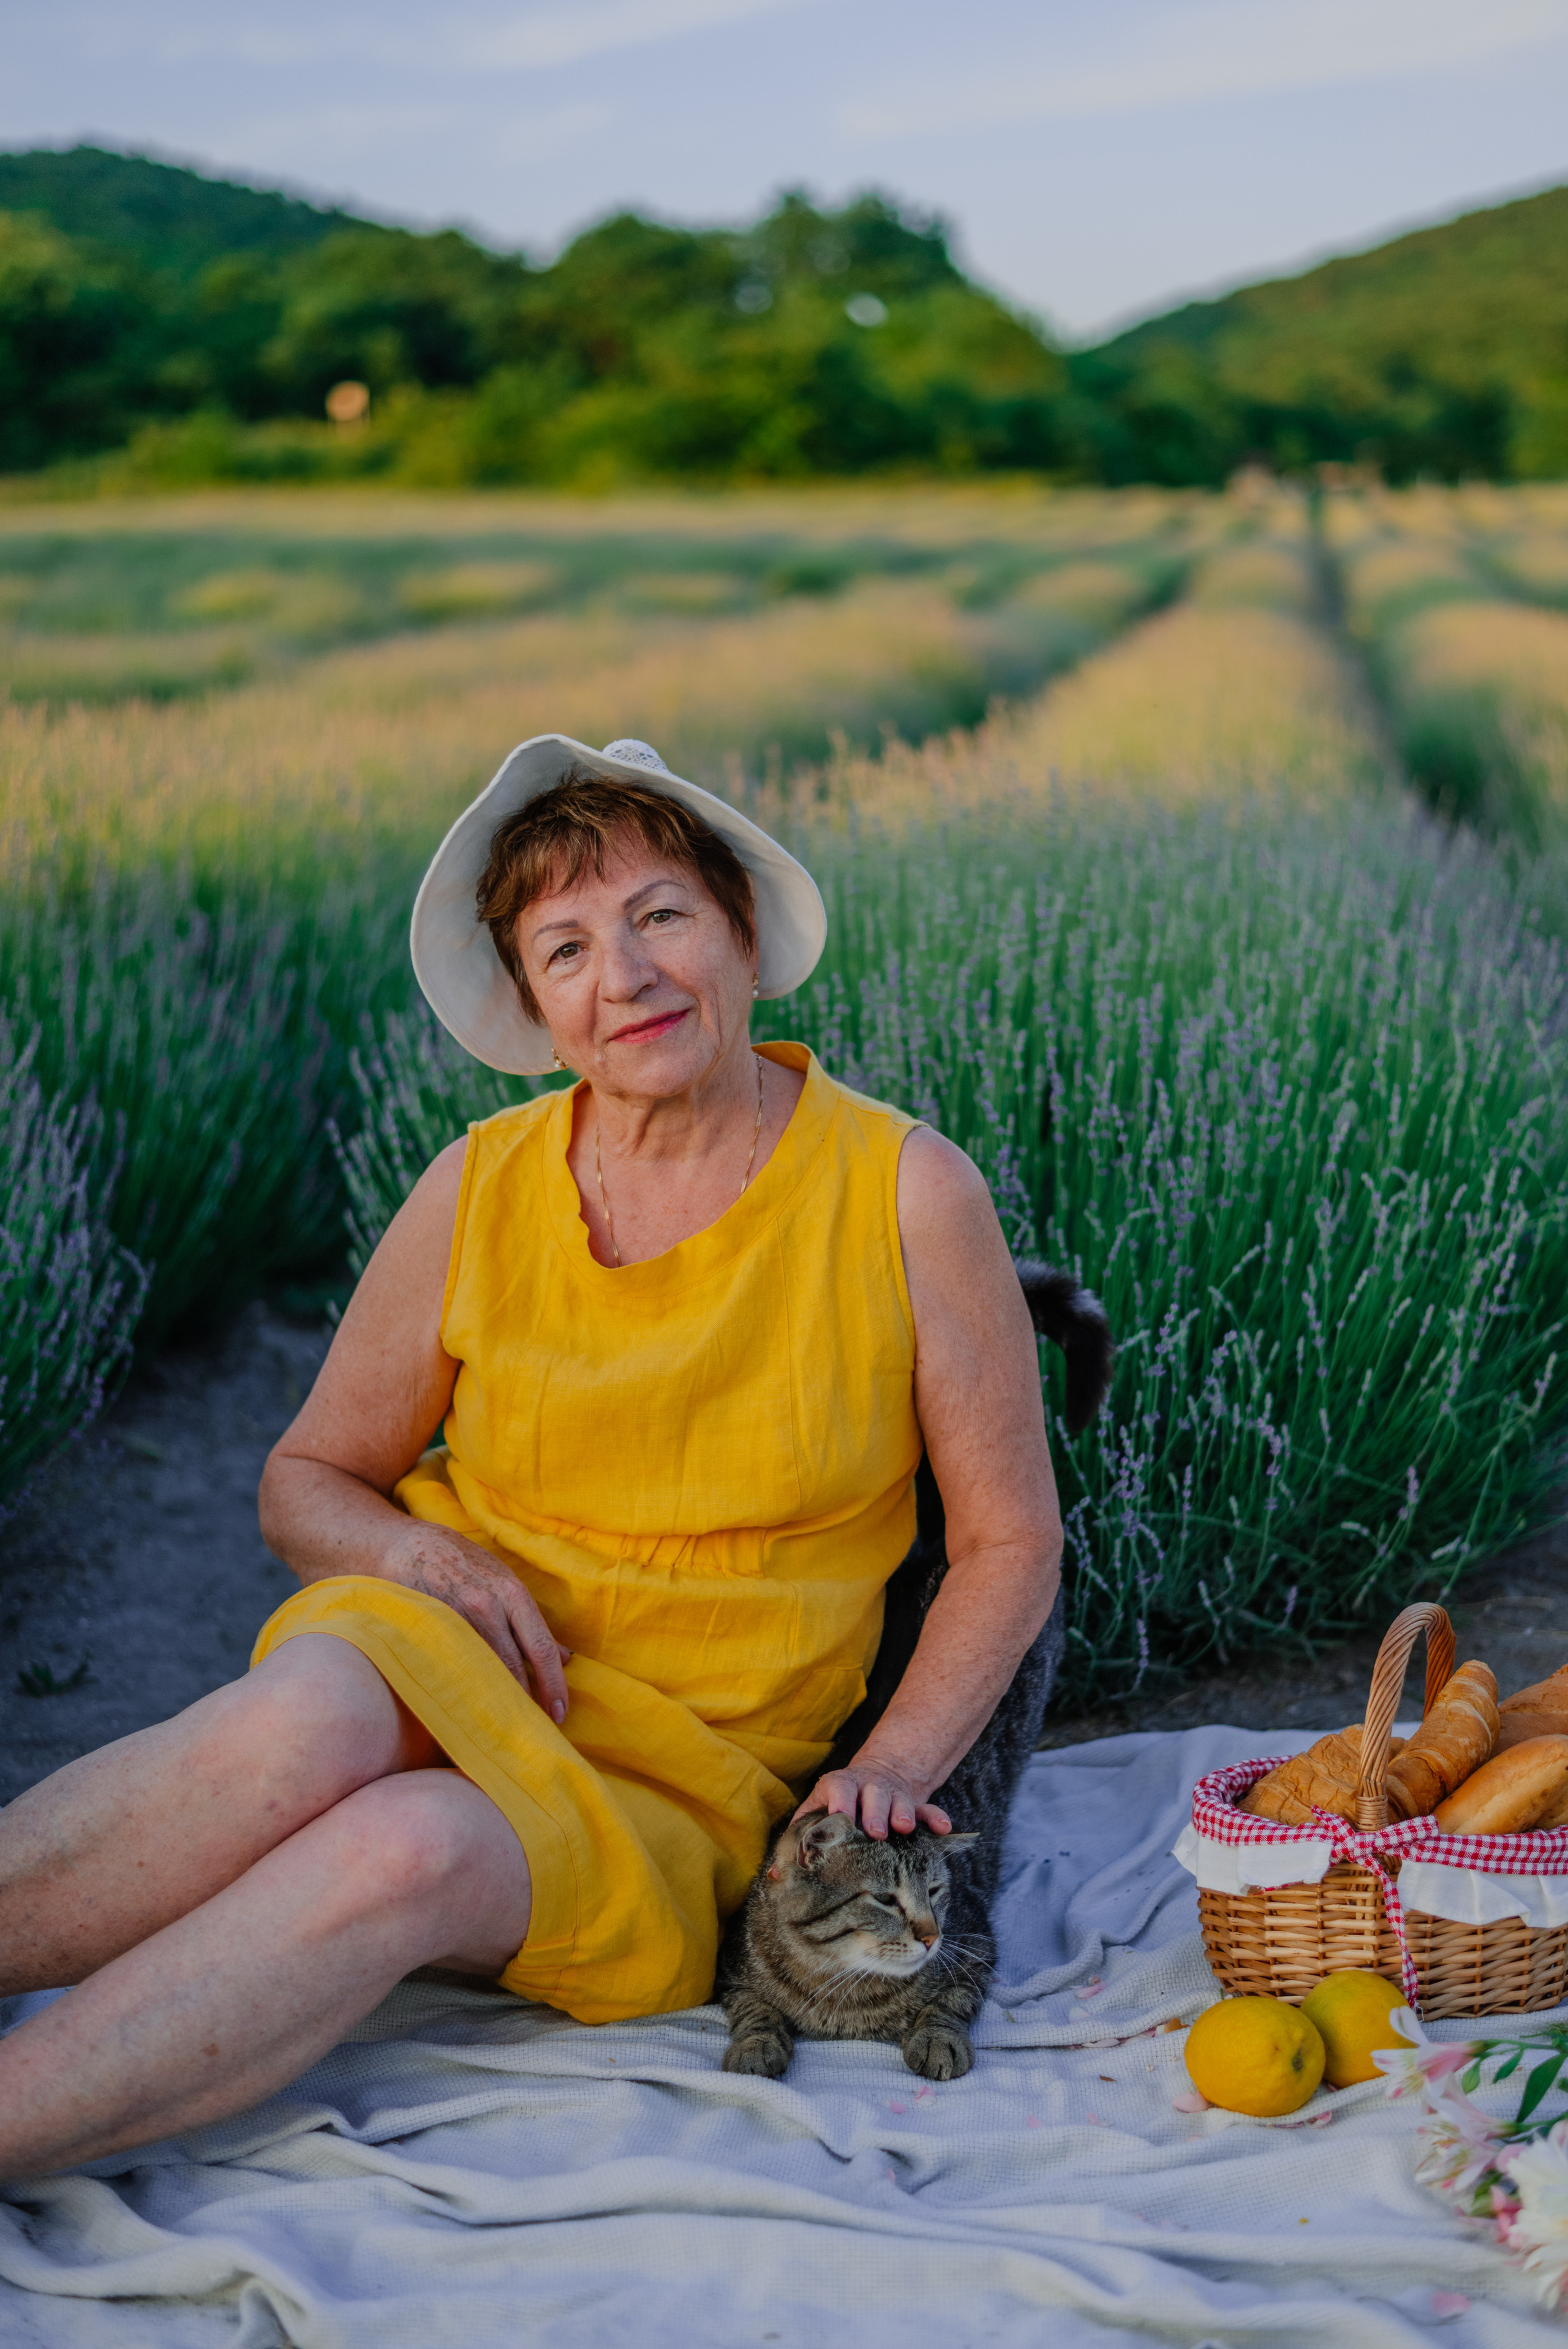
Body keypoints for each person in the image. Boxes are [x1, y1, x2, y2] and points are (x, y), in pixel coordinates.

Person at [0, 735, 1062, 2179]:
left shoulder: (904, 1190)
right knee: (296, 1727)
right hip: (439, 1641)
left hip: (685, 1771)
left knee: (408, 1851)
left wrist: (885, 1772)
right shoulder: (480, 1185)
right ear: (536, 1006)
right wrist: (414, 1553)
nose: (621, 977)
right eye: (564, 948)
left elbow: (1011, 1540)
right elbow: (304, 1481)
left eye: (660, 917)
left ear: (741, 930)